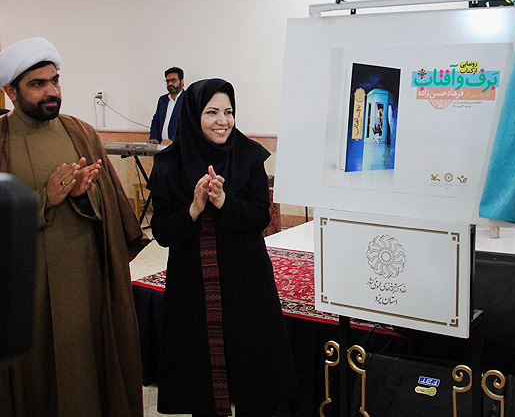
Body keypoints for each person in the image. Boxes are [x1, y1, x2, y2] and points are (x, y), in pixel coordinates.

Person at [0, 37, 148, 417]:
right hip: (26, 289)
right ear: (11, 92)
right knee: (35, 378)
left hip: (84, 280)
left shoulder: (80, 132)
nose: (52, 92)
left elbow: (111, 207)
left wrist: (84, 195)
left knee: (86, 368)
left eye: (55, 81)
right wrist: (44, 199)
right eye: (38, 84)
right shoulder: (1, 140)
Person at [148, 78, 297, 417]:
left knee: (254, 376)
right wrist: (194, 208)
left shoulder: (248, 155)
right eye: (212, 112)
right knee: (201, 377)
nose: (223, 121)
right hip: (193, 285)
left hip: (246, 282)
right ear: (193, 115)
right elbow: (162, 232)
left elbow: (259, 217)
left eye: (228, 112)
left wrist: (225, 202)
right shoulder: (170, 164)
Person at [148, 66, 185, 144]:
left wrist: (174, 140)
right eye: (168, 81)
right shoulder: (163, 100)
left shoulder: (187, 99)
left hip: (179, 146)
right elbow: (156, 121)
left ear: (182, 81)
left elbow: (188, 125)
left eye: (173, 80)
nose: (170, 84)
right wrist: (154, 138)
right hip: (162, 146)